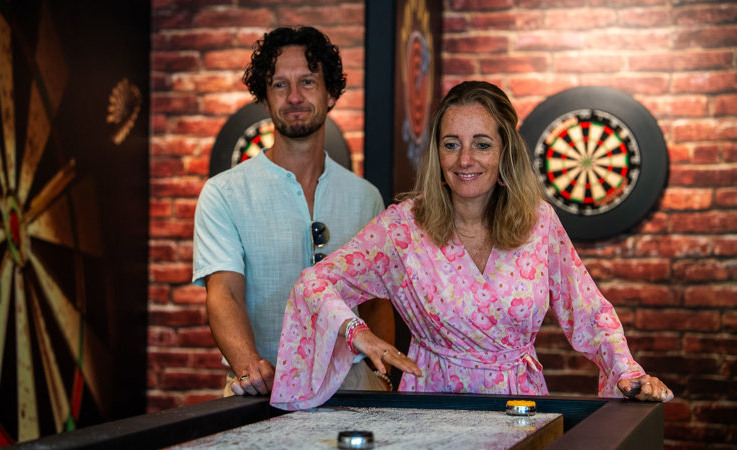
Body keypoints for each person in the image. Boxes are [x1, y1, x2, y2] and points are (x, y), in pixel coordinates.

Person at [269, 80, 674, 410]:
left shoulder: (539, 223)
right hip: (432, 410)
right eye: (451, 144)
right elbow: (314, 283)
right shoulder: (402, 228)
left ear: (504, 151)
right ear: (437, 153)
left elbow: (588, 312)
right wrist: (357, 332)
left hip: (520, 407)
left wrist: (627, 371)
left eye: (481, 143)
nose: (465, 159)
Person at [193, 26, 394, 396]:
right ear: (265, 97)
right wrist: (249, 367)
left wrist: (381, 378)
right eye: (280, 84)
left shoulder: (366, 197)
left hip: (353, 389)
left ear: (331, 93)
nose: (294, 96)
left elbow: (376, 302)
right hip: (262, 387)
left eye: (307, 81)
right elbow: (224, 294)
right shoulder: (223, 194)